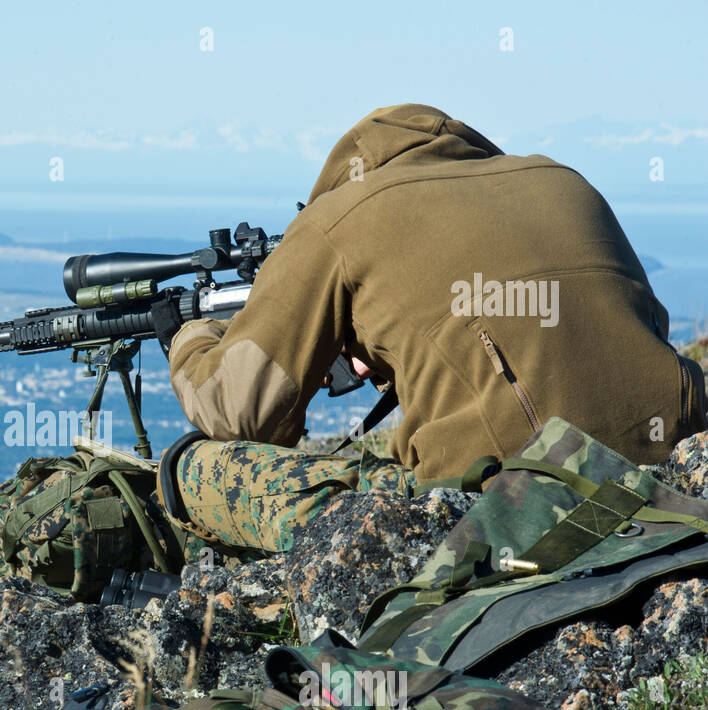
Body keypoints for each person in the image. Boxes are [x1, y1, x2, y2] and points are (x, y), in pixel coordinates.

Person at [158, 103, 706, 554]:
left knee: (196, 469)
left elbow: (241, 414)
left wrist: (189, 338)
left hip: (500, 506)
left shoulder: (335, 220)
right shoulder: (562, 180)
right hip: (674, 473)